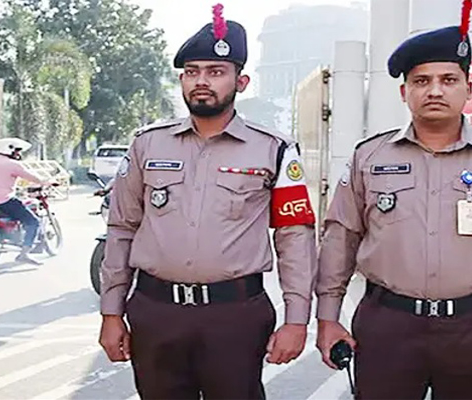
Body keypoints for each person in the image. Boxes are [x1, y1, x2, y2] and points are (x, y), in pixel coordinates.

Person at [314, 6, 472, 400]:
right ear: (404, 92)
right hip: (387, 326)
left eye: (448, 80)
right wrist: (328, 317)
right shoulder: (369, 157)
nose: (434, 91)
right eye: (421, 81)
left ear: (469, 89)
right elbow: (340, 239)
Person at [98, 4, 317, 399]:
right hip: (156, 312)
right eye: (192, 71)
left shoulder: (275, 149)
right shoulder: (147, 145)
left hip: (235, 316)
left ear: (241, 81)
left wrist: (296, 320)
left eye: (216, 72)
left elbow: (294, 238)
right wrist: (111, 312)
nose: (201, 81)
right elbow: (121, 228)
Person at [0, 137, 53, 265]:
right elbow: (31, 177)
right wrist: (46, 181)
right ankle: (25, 253)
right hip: (4, 201)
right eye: (17, 151)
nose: (18, 154)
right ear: (10, 149)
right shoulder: (12, 164)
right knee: (33, 222)